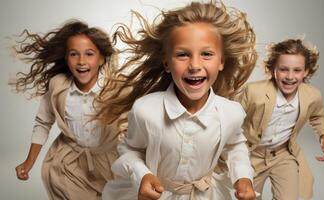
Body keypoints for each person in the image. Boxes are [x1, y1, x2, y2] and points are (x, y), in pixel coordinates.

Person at [97, 1, 258, 200]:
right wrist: (142, 174)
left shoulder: (231, 113)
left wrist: (243, 177)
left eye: (207, 54)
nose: (195, 65)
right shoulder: (145, 110)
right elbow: (130, 149)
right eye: (182, 55)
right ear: (167, 62)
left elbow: (235, 146)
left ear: (222, 62)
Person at [13, 20, 125, 199]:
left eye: (89, 54)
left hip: (111, 165)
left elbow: (139, 126)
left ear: (102, 58)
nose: (81, 61)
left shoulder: (119, 88)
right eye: (74, 54)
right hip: (69, 164)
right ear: (66, 58)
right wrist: (29, 162)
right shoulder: (58, 86)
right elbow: (43, 123)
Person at [237, 38, 324, 200]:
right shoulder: (253, 92)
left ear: (306, 71)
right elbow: (231, 120)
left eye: (297, 70)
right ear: (272, 69)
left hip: (283, 154)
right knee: (247, 197)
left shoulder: (312, 96)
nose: (290, 76)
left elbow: (318, 117)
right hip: (251, 155)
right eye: (283, 69)